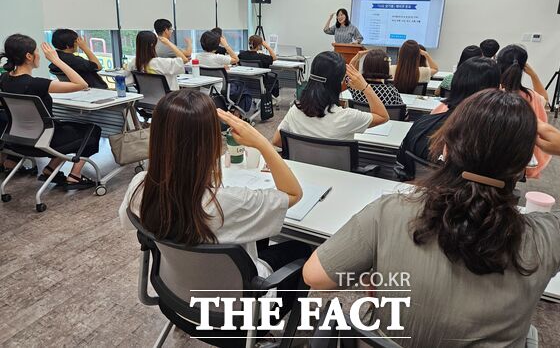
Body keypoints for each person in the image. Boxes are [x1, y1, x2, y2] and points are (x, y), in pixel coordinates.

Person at [303, 89, 560, 347]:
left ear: (446, 147)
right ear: (524, 167)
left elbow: (314, 276)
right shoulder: (545, 238)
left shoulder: (391, 211)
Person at [119, 89, 311, 306]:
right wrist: (261, 142)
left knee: (260, 237)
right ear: (210, 142)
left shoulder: (140, 186)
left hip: (177, 297)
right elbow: (294, 193)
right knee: (302, 249)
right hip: (237, 313)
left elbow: (127, 222)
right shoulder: (227, 203)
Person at [0, 34, 101, 189]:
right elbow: (81, 84)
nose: (39, 55)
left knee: (66, 128)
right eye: (36, 51)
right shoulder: (36, 84)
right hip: (44, 141)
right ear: (29, 56)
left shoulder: (4, 79)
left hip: (17, 141)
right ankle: (75, 176)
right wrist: (57, 60)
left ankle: (50, 169)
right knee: (92, 129)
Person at [396, 57, 501, 180]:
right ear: (492, 93)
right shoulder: (492, 138)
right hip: (463, 198)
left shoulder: (422, 123)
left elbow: (402, 166)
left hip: (418, 194)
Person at [272, 51, 388, 146]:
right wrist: (365, 87)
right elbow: (383, 116)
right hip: (338, 173)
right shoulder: (347, 117)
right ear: (339, 82)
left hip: (301, 172)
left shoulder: (295, 110)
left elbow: (276, 141)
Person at [497, 44, 549, 178]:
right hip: (521, 160)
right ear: (523, 68)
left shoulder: (489, 94)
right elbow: (545, 99)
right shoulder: (532, 97)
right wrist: (534, 75)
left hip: (487, 158)